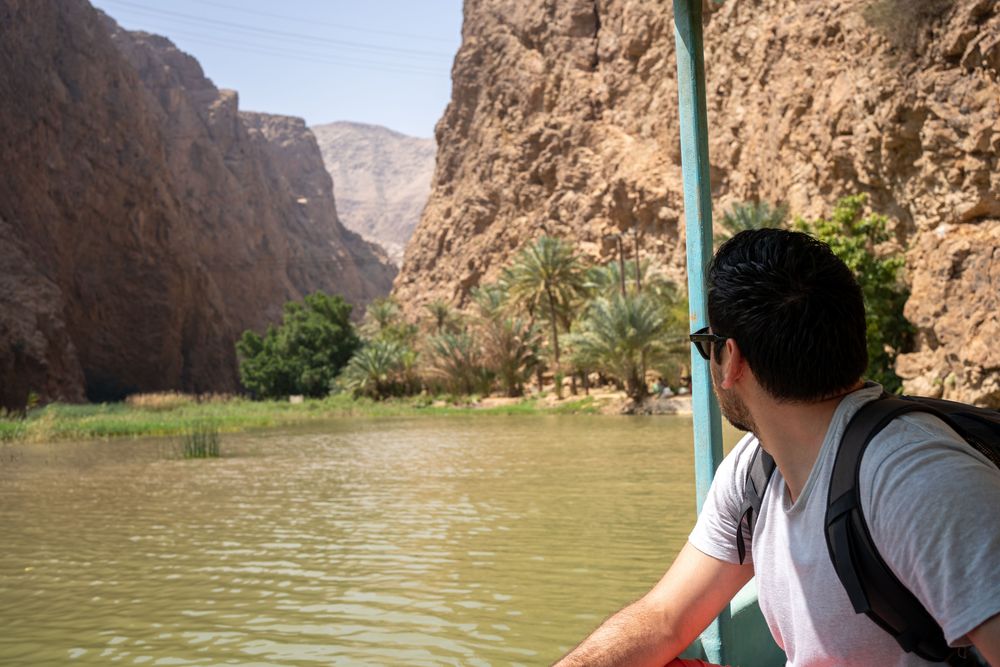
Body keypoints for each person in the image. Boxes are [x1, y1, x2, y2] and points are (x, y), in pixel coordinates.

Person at [555, 229, 1000, 667]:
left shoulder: (914, 476)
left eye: (705, 345)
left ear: (730, 359)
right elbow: (665, 618)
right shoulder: (755, 469)